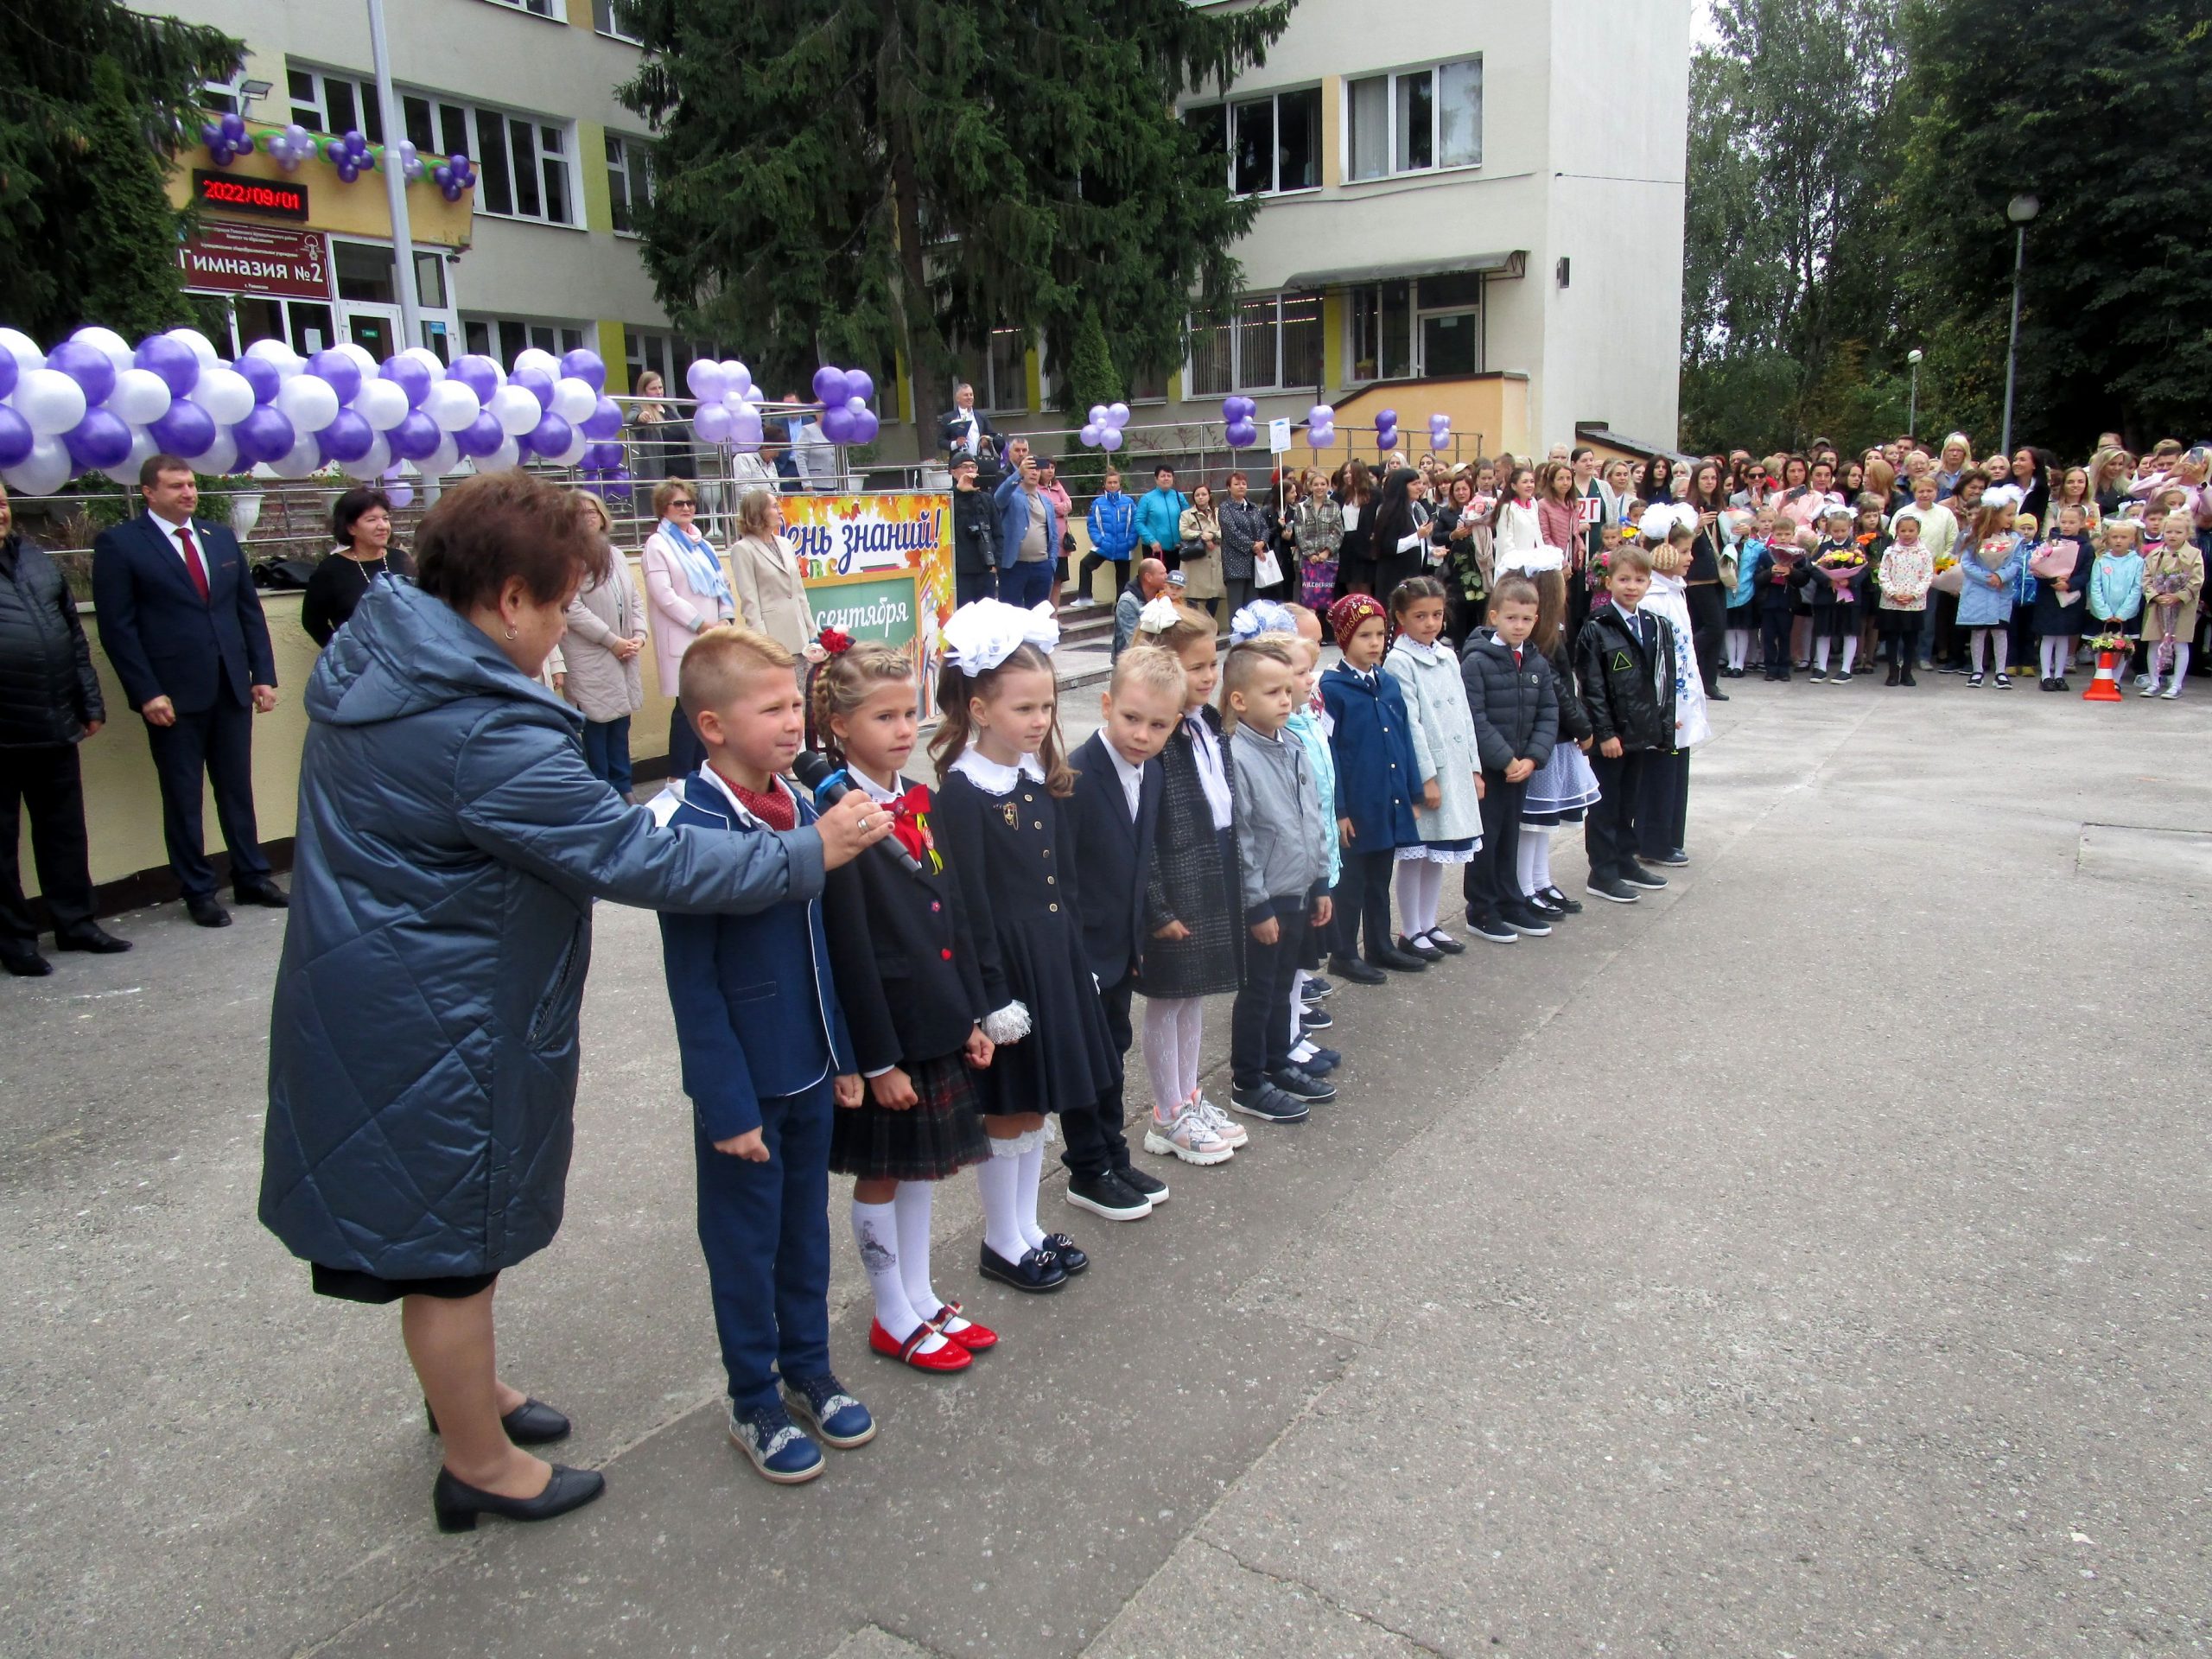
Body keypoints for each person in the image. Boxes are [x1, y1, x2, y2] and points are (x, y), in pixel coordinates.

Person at [258, 471, 894, 1533]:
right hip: (435, 1014)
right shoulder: (473, 726)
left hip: (395, 992)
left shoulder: (395, 664)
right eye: (557, 606)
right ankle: (478, 1462)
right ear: (509, 598)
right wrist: (804, 852)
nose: (561, 630)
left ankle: (470, 1397)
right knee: (450, 1250)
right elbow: (624, 855)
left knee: (450, 1235)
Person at [652, 626, 873, 1481]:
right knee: (743, 1246)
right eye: (773, 707)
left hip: (811, 1065)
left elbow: (821, 949)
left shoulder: (801, 803)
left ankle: (808, 1370)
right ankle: (751, 1395)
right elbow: (692, 982)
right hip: (745, 1083)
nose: (794, 723)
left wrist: (843, 1051)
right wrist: (725, 1103)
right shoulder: (687, 822)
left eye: (797, 704)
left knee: (802, 1236)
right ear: (711, 724)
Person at [810, 640, 998, 1371]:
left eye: (908, 713)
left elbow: (953, 912)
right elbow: (850, 949)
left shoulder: (918, 797)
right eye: (882, 716)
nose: (901, 729)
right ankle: (891, 1312)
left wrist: (972, 1015)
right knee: (885, 1173)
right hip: (891, 1031)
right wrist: (877, 1059)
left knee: (924, 1169)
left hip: (936, 1017)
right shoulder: (841, 817)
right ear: (839, 727)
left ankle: (919, 1296)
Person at [928, 601, 1118, 1292]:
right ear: (979, 709)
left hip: (1052, 958)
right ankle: (1000, 1239)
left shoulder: (1036, 780)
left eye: (1046, 705)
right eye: (1023, 709)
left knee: (1036, 1105)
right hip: (1007, 970)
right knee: (1007, 1108)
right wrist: (990, 997)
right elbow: (966, 906)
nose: (1040, 721)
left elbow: (1062, 879)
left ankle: (1027, 1225)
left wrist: (1077, 959)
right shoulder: (961, 792)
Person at [92, 454, 283, 929]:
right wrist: (146, 692)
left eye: (192, 485)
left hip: (230, 685)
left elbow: (247, 612)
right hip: (173, 695)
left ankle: (251, 875)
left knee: (236, 788)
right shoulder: (122, 544)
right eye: (176, 486)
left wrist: (262, 674)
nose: (188, 493)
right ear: (148, 493)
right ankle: (198, 888)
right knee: (183, 794)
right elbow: (119, 628)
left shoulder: (218, 537)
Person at [1127, 599, 1251, 1150]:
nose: (1209, 676)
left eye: (1212, 664)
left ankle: (1189, 1095)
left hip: (1210, 868)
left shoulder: (1205, 725)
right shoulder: (1156, 741)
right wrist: (1158, 907)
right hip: (1174, 884)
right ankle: (1166, 1113)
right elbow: (1143, 836)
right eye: (1196, 666)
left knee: (1195, 995)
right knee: (1168, 997)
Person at [1062, 646, 1181, 1213]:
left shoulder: (1151, 773)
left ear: (1174, 725)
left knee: (1113, 1053)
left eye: (1157, 725)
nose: (1142, 734)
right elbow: (1059, 878)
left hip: (1118, 951)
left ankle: (1114, 1153)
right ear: (1107, 705)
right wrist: (1072, 959)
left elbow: (1137, 865)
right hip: (1080, 955)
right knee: (1087, 1065)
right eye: (1131, 718)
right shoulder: (1075, 778)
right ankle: (1087, 1169)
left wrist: (1136, 940)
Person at [0, 483, 129, 975]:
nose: (3, 515)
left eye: (5, 505)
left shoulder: (34, 560)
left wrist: (89, 701)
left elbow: (73, 638)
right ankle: (14, 941)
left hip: (53, 722)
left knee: (65, 833)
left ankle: (76, 924)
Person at [1224, 638, 1336, 1120]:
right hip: (1267, 898)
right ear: (1240, 700)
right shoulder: (1239, 756)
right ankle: (1248, 1081)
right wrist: (1257, 905)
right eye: (1272, 693)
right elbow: (1243, 838)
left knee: (1284, 981)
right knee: (1258, 992)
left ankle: (1276, 1061)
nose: (1285, 701)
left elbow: (1313, 817)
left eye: (1287, 691)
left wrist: (1321, 882)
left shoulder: (1292, 744)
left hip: (1298, 888)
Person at [1320, 594, 1423, 977]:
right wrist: (1340, 811)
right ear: (1345, 638)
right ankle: (1344, 953)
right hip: (1357, 804)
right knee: (1351, 884)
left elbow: (1405, 740)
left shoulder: (1390, 684)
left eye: (1380, 634)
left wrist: (1412, 791)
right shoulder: (1332, 690)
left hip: (1388, 799)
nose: (1375, 642)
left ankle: (1379, 944)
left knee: (1380, 879)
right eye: (1365, 635)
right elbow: (1329, 754)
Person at [1381, 575, 1482, 956]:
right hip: (1429, 771)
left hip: (1455, 767)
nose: (1430, 623)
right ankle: (1410, 929)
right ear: (1401, 617)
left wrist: (1473, 767)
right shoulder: (1399, 660)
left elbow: (1465, 715)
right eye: (1420, 616)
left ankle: (1429, 922)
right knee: (1418, 851)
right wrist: (1427, 777)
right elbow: (1411, 723)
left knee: (1439, 850)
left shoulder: (1447, 655)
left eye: (1436, 615)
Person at [1459, 574, 1560, 945]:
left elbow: (1549, 711)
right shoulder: (1477, 662)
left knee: (1510, 839)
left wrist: (1533, 758)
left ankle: (1509, 899)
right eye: (1512, 618)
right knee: (1487, 839)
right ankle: (1481, 909)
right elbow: (1475, 717)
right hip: (1492, 769)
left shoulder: (1535, 661)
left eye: (1527, 619)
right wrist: (1504, 760)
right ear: (1495, 616)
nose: (1519, 626)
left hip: (1522, 769)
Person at [1576, 544, 1675, 906]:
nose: (1631, 586)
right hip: (1613, 735)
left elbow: (1663, 681)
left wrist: (1663, 728)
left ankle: (1624, 858)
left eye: (1638, 580)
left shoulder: (1655, 625)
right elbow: (1593, 686)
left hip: (1641, 731)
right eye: (1623, 579)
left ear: (1649, 583)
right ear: (1609, 582)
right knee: (1606, 801)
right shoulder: (1598, 628)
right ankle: (1601, 870)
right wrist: (1604, 732)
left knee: (1629, 799)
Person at [1516, 568, 1599, 916]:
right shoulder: (1540, 642)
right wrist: (1582, 726)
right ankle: (1525, 886)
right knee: (1531, 820)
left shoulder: (1553, 635)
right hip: (1546, 738)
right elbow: (1559, 691)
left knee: (1544, 819)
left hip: (1558, 738)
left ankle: (1540, 879)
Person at [641, 478, 738, 777]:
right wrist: (701, 624)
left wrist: (725, 619)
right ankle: (680, 775)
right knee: (686, 709)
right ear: (663, 509)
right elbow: (664, 595)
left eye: (690, 503)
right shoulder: (657, 545)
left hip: (712, 636)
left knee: (707, 706)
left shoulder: (702, 542)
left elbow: (722, 584)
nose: (686, 508)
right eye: (678, 503)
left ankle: (704, 771)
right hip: (684, 638)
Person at [560, 492, 647, 796]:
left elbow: (634, 600)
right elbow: (571, 608)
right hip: (592, 655)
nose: (589, 516)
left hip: (624, 652)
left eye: (593, 510)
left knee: (620, 726)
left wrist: (639, 635)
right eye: (580, 512)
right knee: (596, 728)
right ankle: (603, 795)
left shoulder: (616, 555)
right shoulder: (567, 558)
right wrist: (612, 641)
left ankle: (625, 789)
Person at [303, 487, 416, 647]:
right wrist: (343, 651)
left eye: (385, 518)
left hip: (409, 660)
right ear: (351, 528)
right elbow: (312, 622)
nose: (382, 526)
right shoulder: (331, 570)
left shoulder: (401, 559)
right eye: (371, 520)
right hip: (361, 666)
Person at [728, 487, 818, 665]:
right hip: (774, 640)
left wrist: (812, 633)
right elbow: (750, 602)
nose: (781, 511)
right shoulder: (743, 549)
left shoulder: (785, 543)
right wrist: (763, 644)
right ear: (758, 512)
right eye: (775, 507)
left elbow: (799, 593)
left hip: (800, 638)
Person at [1955, 505, 2024, 688]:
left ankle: (2001, 672)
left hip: (2001, 591)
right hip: (1979, 591)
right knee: (1978, 632)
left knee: (2000, 631)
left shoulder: (2014, 539)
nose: (2012, 518)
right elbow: (1967, 563)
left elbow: (2017, 562)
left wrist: (2001, 575)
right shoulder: (1973, 537)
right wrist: (1988, 577)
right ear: (1994, 514)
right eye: (2008, 514)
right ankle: (1977, 670)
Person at [2030, 501, 2095, 690]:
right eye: (2064, 521)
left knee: (2064, 637)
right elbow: (2038, 569)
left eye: (2072, 522)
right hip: (2049, 596)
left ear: (2081, 523)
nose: (2067, 525)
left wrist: (2069, 584)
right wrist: (2052, 580)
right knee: (2048, 636)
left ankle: (2059, 675)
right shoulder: (2050, 544)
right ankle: (2045, 675)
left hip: (2070, 596)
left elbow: (2086, 572)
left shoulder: (2086, 547)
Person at [2139, 510, 2205, 698]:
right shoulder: (2154, 554)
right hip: (2158, 605)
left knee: (2179, 643)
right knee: (2154, 642)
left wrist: (2179, 595)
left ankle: (2176, 684)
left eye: (2178, 532)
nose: (2173, 536)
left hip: (2182, 606)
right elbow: (2146, 578)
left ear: (2187, 534)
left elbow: (2196, 580)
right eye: (2169, 532)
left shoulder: (2194, 555)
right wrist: (2154, 595)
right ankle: (2154, 681)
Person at [1807, 503, 1870, 683]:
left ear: (1850, 528)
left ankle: (1846, 669)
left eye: (1843, 530)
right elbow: (1813, 568)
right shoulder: (1822, 546)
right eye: (1836, 530)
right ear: (1829, 529)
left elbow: (1864, 570)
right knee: (1823, 631)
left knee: (1849, 630)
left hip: (1849, 596)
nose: (1840, 534)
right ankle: (1821, 667)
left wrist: (1849, 581)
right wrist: (1829, 581)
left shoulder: (1856, 547)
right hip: (1826, 595)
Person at [994, 454, 1060, 610]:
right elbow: (998, 499)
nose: (1034, 472)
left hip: (1042, 566)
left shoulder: (1046, 501)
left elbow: (1053, 535)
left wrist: (1052, 564)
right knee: (1011, 615)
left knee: (1037, 617)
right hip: (1015, 566)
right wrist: (1018, 474)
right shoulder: (1012, 495)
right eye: (1030, 468)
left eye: (1037, 469)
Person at [1876, 512, 1933, 686]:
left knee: (1910, 639)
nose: (1907, 534)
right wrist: (1892, 593)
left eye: (1911, 530)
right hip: (1892, 603)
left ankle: (1907, 672)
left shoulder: (1924, 554)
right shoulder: (1890, 552)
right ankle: (1893, 672)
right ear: (1897, 532)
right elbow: (1883, 575)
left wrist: (1914, 594)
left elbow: (1927, 576)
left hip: (1913, 604)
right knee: (1892, 638)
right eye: (1903, 531)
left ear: (1918, 531)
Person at [1721, 504, 1771, 677]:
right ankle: (1730, 661)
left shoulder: (1754, 546)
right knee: (1729, 628)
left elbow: (1767, 556)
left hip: (1746, 592)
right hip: (1728, 591)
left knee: (1742, 629)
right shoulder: (1725, 544)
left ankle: (1740, 663)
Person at [1367, 467, 1430, 601]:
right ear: (1402, 487)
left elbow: (1414, 544)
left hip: (1413, 576)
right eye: (1414, 484)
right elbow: (1387, 546)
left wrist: (1431, 551)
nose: (1420, 487)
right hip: (1395, 578)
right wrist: (1417, 536)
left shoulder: (1415, 510)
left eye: (1420, 483)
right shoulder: (1391, 512)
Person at [1217, 471, 1272, 620]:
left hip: (1254, 561)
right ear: (1229, 487)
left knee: (1252, 604)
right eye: (1236, 484)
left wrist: (1261, 542)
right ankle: (1236, 638)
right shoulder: (1225, 508)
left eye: (1243, 484)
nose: (1241, 487)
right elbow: (1231, 532)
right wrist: (1252, 545)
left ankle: (1251, 637)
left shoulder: (1253, 506)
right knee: (1237, 606)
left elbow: (1264, 528)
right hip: (1235, 561)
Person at [626, 371, 694, 483]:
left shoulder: (669, 409)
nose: (659, 392)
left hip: (686, 474)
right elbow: (629, 418)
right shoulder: (640, 408)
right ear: (644, 392)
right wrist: (639, 418)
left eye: (660, 388)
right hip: (662, 478)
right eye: (653, 389)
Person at [1082, 468, 1137, 605]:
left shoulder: (1129, 502)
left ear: (1120, 484)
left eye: (1115, 482)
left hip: (1124, 547)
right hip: (1104, 546)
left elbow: (1135, 524)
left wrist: (1131, 541)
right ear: (1105, 484)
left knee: (1123, 580)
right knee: (1085, 564)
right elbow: (1092, 524)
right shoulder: (1098, 503)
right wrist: (1098, 540)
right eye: (1109, 482)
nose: (1112, 485)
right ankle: (1085, 598)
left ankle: (1121, 607)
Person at [1292, 468, 1344, 610]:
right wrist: (1311, 554)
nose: (1319, 487)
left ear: (1327, 486)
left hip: (1330, 561)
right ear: (1310, 486)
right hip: (1308, 562)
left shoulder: (1334, 506)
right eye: (1316, 484)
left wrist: (1326, 552)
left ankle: (1328, 632)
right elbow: (1299, 533)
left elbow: (1338, 532)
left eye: (1323, 484)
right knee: (1310, 602)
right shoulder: (1301, 508)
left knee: (1329, 602)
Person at [950, 454, 997, 607]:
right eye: (964, 467)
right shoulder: (948, 498)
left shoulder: (986, 499)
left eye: (973, 466)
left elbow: (998, 532)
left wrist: (997, 563)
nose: (970, 470)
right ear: (953, 471)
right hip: (961, 572)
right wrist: (958, 491)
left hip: (985, 569)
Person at [1177, 482, 1225, 619]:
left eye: (1204, 494)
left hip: (1214, 558)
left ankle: (1210, 624)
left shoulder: (1218, 513)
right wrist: (1202, 535)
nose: (1201, 497)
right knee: (1192, 594)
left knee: (1214, 594)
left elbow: (1224, 531)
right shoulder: (1186, 514)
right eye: (1197, 495)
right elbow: (1184, 532)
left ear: (1209, 496)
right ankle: (1196, 625)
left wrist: (1213, 535)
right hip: (1195, 559)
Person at [1134, 465, 1188, 573]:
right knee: (1156, 584)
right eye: (1163, 476)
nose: (1166, 478)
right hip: (1155, 549)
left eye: (1169, 476)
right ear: (1156, 479)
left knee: (1174, 584)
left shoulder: (1179, 496)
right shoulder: (1147, 499)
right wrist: (1151, 541)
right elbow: (1138, 522)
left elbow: (1188, 517)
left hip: (1177, 549)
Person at [1112, 557, 1168, 659]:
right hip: (1131, 663)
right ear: (1148, 577)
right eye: (1162, 573)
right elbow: (1134, 640)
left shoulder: (1164, 597)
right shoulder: (1128, 601)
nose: (1167, 577)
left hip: (1159, 657)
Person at [939, 381, 1000, 474]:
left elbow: (992, 434)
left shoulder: (981, 416)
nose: (969, 397)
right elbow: (941, 442)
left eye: (971, 395)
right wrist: (956, 443)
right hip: (960, 466)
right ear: (958, 398)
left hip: (980, 464)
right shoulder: (949, 417)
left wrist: (986, 440)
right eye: (966, 395)